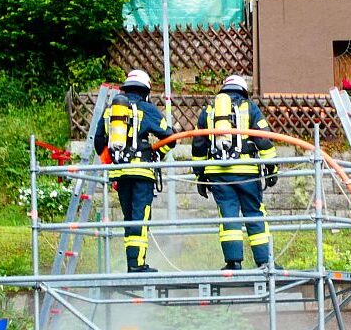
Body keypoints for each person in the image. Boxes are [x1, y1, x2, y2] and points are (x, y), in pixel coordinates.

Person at [191, 75, 278, 270]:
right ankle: (264, 261)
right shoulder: (249, 107)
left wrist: (200, 175)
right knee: (254, 213)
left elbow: (198, 144)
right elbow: (263, 138)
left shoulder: (209, 110)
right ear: (243, 90)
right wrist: (272, 167)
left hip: (218, 174)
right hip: (247, 172)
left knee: (228, 215)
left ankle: (233, 263)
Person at [94, 69, 173, 273]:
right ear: (145, 90)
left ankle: (132, 263)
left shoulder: (110, 111)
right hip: (142, 174)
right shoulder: (147, 109)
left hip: (120, 173)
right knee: (140, 217)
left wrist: (113, 160)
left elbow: (99, 141)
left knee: (129, 218)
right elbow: (170, 137)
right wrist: (157, 154)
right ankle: (137, 265)